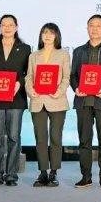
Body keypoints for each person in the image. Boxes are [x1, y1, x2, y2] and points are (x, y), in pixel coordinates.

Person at [0, 15, 31, 187]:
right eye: (4, 25)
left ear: (16, 27)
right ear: (0, 27)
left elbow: (28, 73)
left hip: (16, 98)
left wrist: (19, 83)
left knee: (14, 137)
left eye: (10, 25)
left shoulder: (24, 49)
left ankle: (11, 175)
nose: (7, 28)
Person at [70, 15, 101, 188]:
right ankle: (86, 177)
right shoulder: (78, 51)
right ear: (87, 28)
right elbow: (73, 75)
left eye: (99, 26)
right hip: (83, 101)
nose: (95, 29)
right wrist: (76, 87)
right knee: (84, 141)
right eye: (91, 25)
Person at [25, 23, 70, 187]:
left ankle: (54, 172)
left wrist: (59, 92)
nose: (47, 36)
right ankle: (43, 172)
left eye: (51, 33)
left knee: (56, 137)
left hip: (57, 100)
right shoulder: (33, 55)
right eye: (45, 32)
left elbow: (66, 77)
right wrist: (30, 91)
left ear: (57, 36)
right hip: (37, 100)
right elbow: (29, 77)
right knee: (40, 138)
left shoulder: (63, 54)